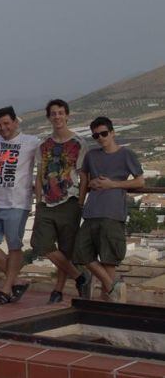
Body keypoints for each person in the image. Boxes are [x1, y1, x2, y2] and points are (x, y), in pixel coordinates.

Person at [73, 117, 143, 302]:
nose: (100, 137)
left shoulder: (126, 154)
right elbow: (85, 178)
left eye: (104, 133)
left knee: (108, 258)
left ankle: (110, 301)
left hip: (112, 212)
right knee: (80, 251)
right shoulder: (91, 156)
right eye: (96, 135)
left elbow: (139, 181)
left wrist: (113, 184)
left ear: (112, 133)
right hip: (91, 211)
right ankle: (113, 287)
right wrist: (84, 195)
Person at [0, 106, 39, 306]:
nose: (3, 128)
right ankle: (17, 281)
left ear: (15, 122)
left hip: (17, 203)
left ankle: (6, 289)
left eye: (6, 123)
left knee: (14, 247)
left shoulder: (31, 142)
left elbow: (45, 163)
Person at [30, 99, 91, 304]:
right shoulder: (43, 145)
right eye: (53, 113)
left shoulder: (79, 143)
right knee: (40, 243)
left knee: (66, 249)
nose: (57, 117)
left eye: (60, 113)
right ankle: (80, 277)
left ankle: (58, 290)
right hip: (46, 202)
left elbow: (84, 176)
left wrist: (81, 202)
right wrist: (38, 201)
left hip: (70, 201)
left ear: (67, 116)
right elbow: (40, 175)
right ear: (48, 117)